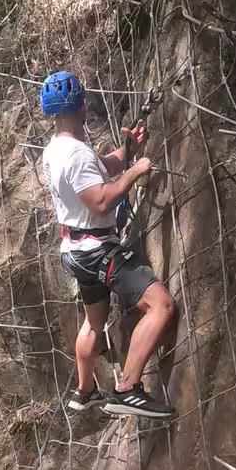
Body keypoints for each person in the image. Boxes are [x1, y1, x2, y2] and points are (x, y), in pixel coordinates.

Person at [39, 69, 176, 421]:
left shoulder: (56, 149)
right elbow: (101, 201)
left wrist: (129, 150)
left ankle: (85, 392)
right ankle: (127, 389)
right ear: (83, 104)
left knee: (94, 322)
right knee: (160, 306)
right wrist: (137, 171)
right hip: (97, 251)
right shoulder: (76, 155)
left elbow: (105, 166)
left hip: (75, 251)